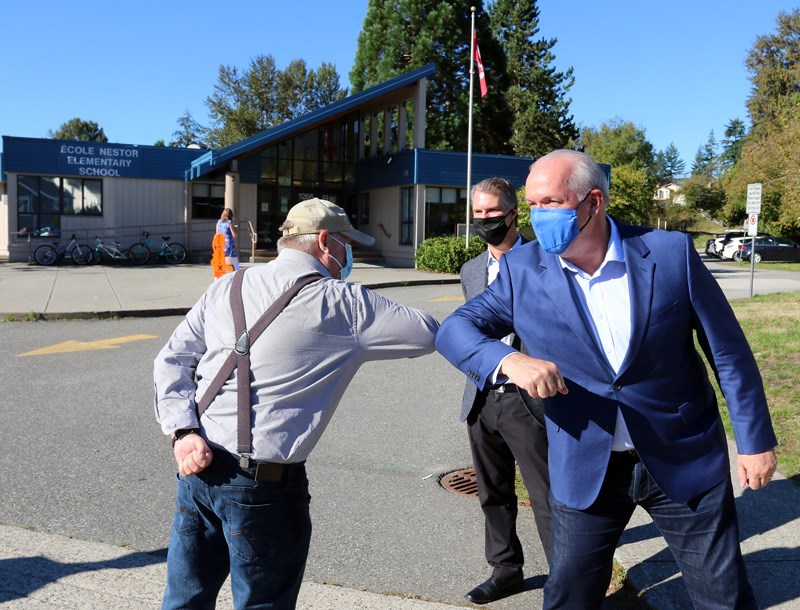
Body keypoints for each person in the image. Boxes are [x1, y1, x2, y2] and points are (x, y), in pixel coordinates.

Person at [436, 150, 778, 609]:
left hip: (682, 456)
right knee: (569, 598)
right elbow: (455, 330)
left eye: (550, 203)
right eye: (532, 205)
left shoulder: (670, 253)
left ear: (592, 202)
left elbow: (728, 353)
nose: (537, 218)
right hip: (586, 465)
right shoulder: (523, 270)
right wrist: (507, 361)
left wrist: (754, 441)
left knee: (724, 598)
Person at [154, 198, 438, 610]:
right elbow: (427, 333)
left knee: (184, 598)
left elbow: (172, 358)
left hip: (197, 468)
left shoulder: (227, 285)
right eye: (346, 242)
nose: (348, 253)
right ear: (325, 241)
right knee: (262, 602)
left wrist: (182, 431)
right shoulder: (343, 302)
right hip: (263, 488)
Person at [460, 178, 551, 604]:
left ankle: (568, 577)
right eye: (477, 214)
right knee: (492, 491)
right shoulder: (471, 270)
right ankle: (505, 568)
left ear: (513, 213)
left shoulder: (546, 260)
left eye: (492, 213)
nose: (484, 221)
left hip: (530, 403)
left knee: (548, 496)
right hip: (482, 398)